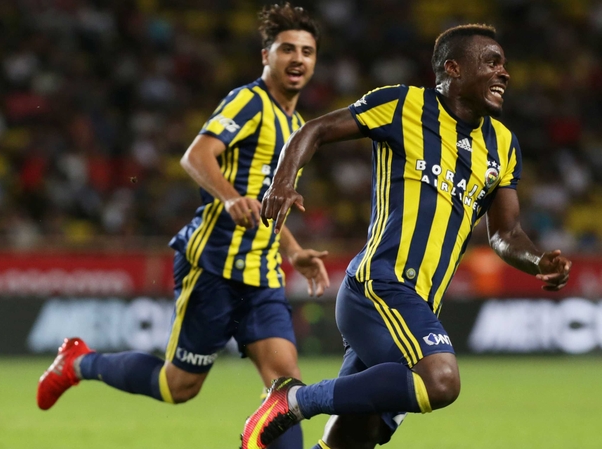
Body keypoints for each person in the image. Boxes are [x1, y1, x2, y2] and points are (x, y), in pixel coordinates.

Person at [242, 24, 573, 449]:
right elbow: (316, 130)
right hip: (380, 285)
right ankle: (293, 400)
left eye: (504, 64)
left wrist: (537, 261)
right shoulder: (403, 105)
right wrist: (283, 181)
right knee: (440, 381)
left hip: (419, 302)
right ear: (453, 68)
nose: (504, 72)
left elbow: (505, 232)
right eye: (491, 61)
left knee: (359, 433)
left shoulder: (503, 145)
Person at [37, 4, 328, 448]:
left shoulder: (298, 127)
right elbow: (196, 155)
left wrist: (292, 250)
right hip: (213, 267)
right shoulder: (249, 101)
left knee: (285, 389)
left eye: (307, 51)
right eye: (287, 49)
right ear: (265, 55)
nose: (297, 59)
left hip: (262, 274)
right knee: (179, 387)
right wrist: (230, 198)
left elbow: (269, 201)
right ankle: (79, 363)